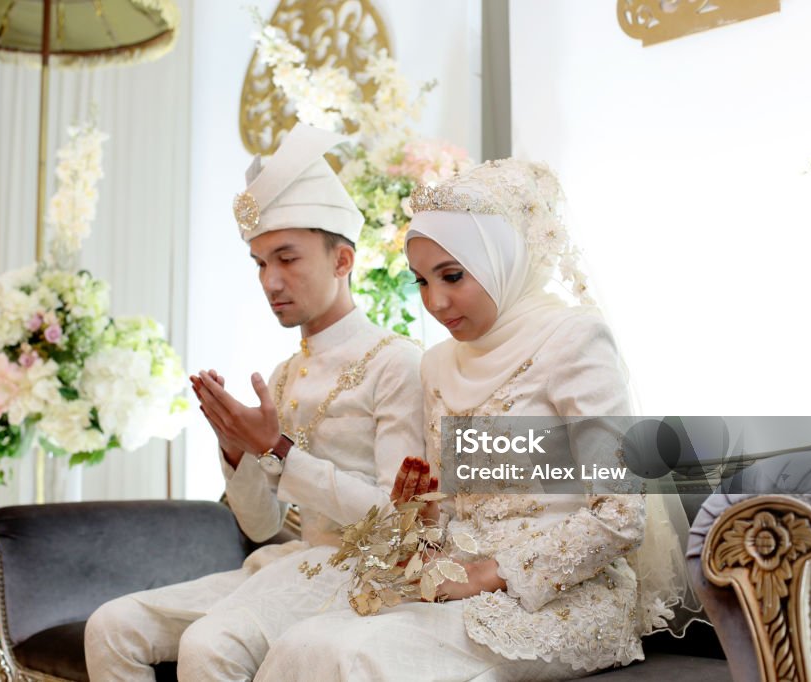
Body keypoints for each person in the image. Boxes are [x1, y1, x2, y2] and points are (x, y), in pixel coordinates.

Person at [255, 158, 695, 681]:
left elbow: (620, 515)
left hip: (563, 595)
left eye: (452, 275)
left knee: (362, 657)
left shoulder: (573, 340)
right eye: (421, 280)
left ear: (499, 259)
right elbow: (448, 513)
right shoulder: (438, 363)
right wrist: (415, 524)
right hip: (456, 581)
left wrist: (490, 573)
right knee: (300, 644)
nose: (435, 301)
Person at [83, 123, 424, 681]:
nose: (270, 281)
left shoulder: (397, 362)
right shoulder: (284, 375)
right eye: (260, 263)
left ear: (343, 261)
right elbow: (263, 525)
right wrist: (237, 450)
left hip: (363, 573)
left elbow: (396, 522)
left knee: (209, 646)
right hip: (286, 565)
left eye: (286, 258)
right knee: (111, 626)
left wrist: (279, 449)